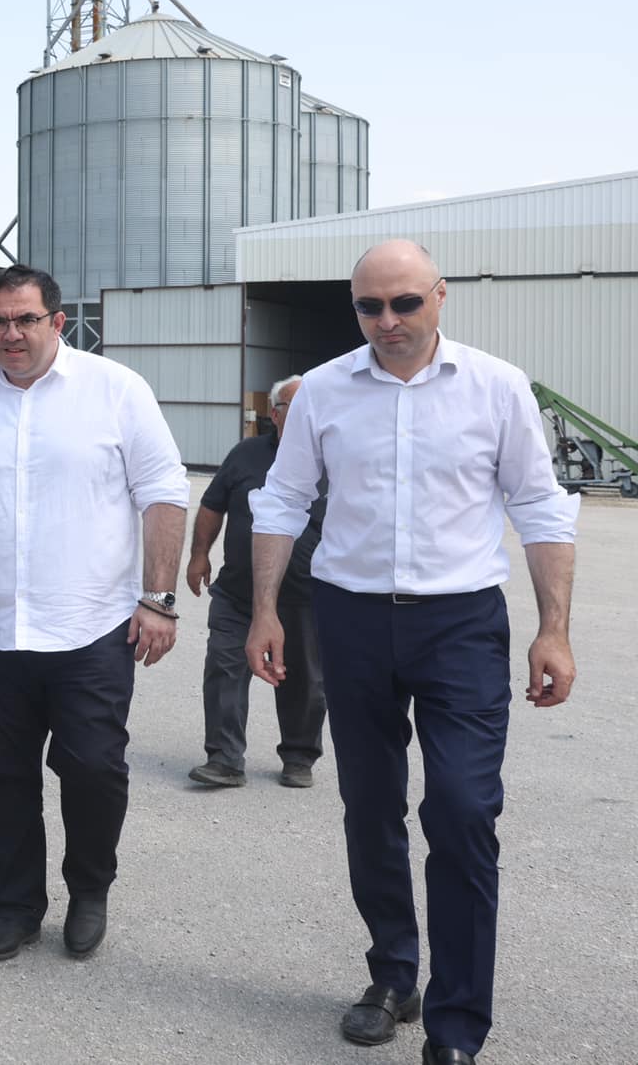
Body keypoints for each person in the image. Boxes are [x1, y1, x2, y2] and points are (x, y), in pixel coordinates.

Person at [247, 240, 578, 1065]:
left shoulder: (496, 387)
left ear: (440, 296)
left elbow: (540, 506)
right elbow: (284, 499)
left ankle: (456, 1024)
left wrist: (554, 628)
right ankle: (393, 975)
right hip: (350, 618)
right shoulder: (324, 391)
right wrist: (265, 611)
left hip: (461, 624)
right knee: (369, 806)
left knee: (462, 810)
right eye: (370, 306)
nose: (387, 321)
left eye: (405, 303)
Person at [0, 264, 187, 963]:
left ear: (58, 321)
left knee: (93, 768)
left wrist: (159, 598)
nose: (11, 334)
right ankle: (17, 906)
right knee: (3, 773)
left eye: (25, 319)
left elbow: (163, 492)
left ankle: (89, 890)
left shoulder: (116, 390)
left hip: (91, 626)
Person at [183, 374, 327, 789]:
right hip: (238, 592)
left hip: (304, 597)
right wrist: (198, 555)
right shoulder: (245, 455)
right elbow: (212, 505)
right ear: (274, 414)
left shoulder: (333, 459)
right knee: (224, 667)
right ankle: (224, 759)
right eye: (293, 408)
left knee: (305, 680)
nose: (304, 416)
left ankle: (299, 757)